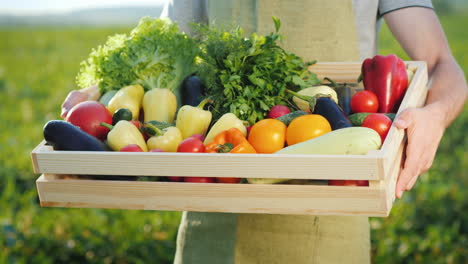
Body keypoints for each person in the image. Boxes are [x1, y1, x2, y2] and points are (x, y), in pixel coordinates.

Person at [61, 0, 468, 263]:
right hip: (214, 210)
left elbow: (440, 63)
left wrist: (435, 115)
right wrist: (97, 92)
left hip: (331, 215)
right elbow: (162, 46)